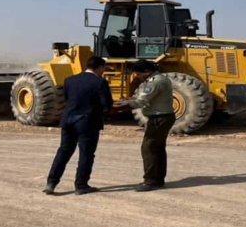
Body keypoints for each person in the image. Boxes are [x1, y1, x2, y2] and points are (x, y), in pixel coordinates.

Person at [43, 56, 114, 195]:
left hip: (68, 120)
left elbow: (67, 99)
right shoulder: (100, 82)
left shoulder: (69, 80)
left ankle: (51, 183)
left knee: (63, 152)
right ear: (99, 67)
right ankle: (81, 185)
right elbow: (107, 103)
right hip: (88, 122)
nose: (104, 70)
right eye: (103, 68)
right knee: (86, 154)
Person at [122, 60, 175, 192]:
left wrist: (124, 104)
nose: (138, 76)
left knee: (149, 148)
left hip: (159, 118)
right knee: (158, 148)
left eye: (139, 74)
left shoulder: (155, 82)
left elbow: (142, 101)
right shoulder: (160, 79)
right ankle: (158, 179)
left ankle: (150, 181)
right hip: (164, 116)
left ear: (147, 71)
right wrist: (130, 100)